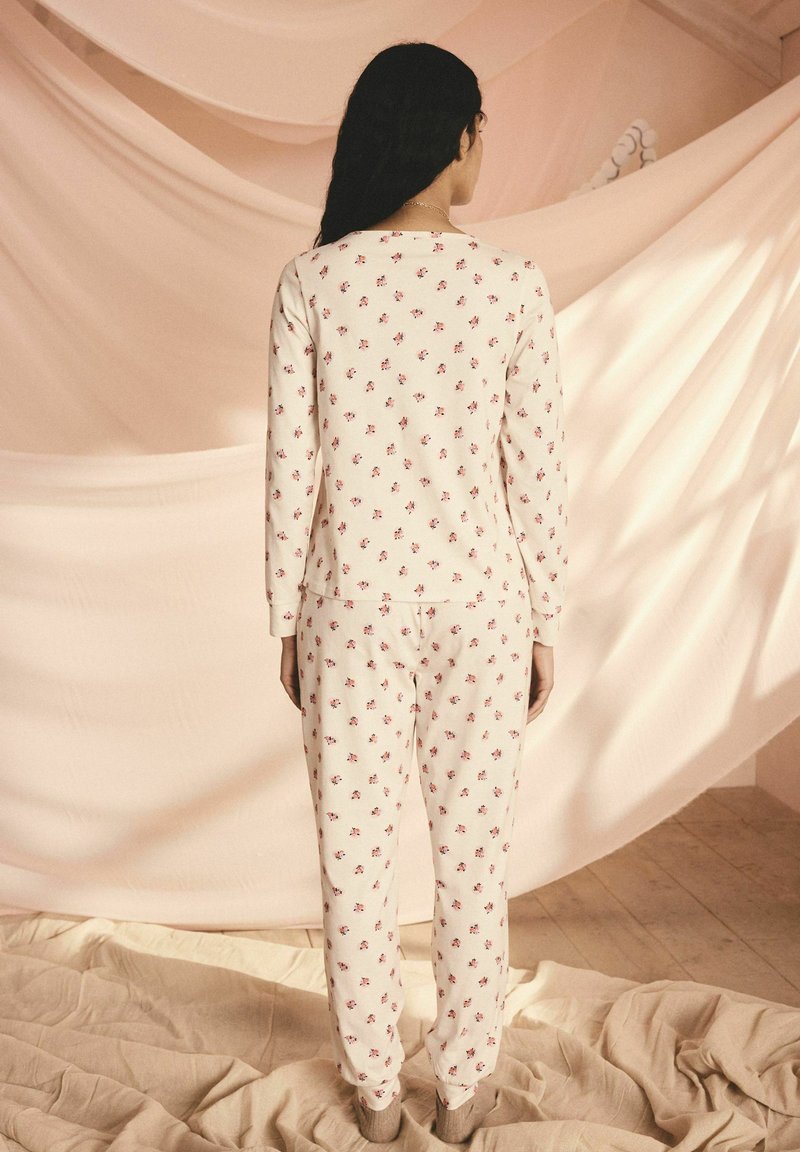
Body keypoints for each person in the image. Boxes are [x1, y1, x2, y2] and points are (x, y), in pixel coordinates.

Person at [265, 41, 568, 1144]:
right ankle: (467, 1090)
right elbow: (537, 472)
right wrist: (545, 622)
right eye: (482, 131)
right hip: (482, 610)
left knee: (354, 866)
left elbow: (290, 472)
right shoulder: (512, 285)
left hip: (351, 610)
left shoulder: (313, 282)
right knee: (474, 863)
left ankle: (377, 1096)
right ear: (457, 138)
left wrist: (285, 619)